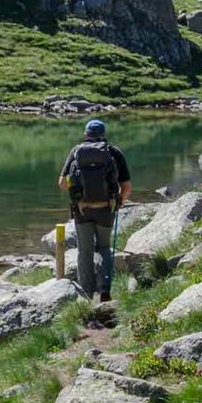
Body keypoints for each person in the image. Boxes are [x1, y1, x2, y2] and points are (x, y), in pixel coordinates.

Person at [58, 119, 131, 302]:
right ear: (103, 134)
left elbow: (61, 183)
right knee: (104, 248)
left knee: (85, 252)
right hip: (106, 209)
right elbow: (127, 186)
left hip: (82, 210)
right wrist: (119, 201)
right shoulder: (113, 152)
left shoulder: (76, 152)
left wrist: (77, 186)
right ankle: (105, 289)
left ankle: (86, 295)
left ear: (86, 134)